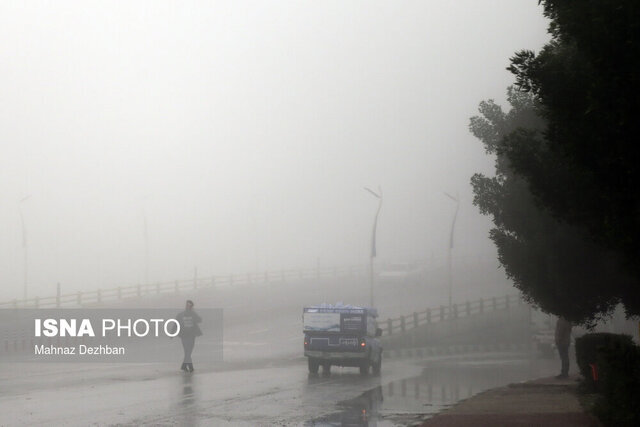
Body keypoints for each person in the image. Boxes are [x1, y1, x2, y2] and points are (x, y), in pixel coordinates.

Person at [174, 300, 202, 373]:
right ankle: (190, 367)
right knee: (188, 351)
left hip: (189, 336)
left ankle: (184, 366)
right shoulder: (183, 315)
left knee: (188, 352)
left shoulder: (191, 314)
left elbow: (199, 320)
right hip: (187, 336)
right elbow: (175, 324)